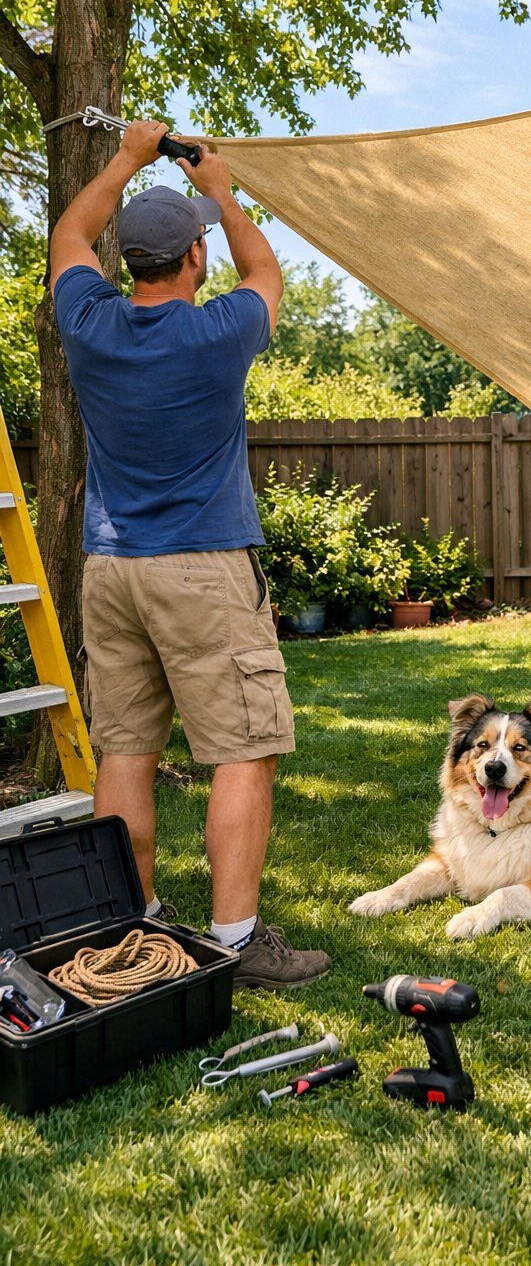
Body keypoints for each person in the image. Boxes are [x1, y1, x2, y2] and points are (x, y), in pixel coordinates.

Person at [50, 119, 330, 991]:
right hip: (203, 568)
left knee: (125, 752)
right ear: (193, 258)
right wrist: (220, 187)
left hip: (111, 570)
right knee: (243, 750)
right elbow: (268, 272)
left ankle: (134, 932)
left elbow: (66, 234)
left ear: (126, 261)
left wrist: (128, 159)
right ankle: (238, 942)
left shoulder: (89, 325)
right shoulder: (220, 337)